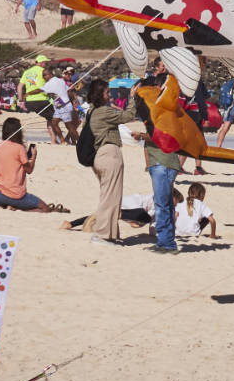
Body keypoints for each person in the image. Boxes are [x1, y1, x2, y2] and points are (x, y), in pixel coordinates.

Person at [79, 77, 131, 244]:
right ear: (100, 94)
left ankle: (109, 234)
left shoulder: (92, 111)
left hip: (100, 156)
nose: (110, 95)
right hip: (108, 154)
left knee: (110, 196)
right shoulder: (103, 111)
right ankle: (102, 234)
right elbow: (128, 116)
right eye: (108, 92)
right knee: (110, 197)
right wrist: (133, 98)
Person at [130, 94, 184, 254]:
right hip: (162, 164)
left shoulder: (160, 115)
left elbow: (161, 137)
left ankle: (166, 243)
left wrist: (141, 136)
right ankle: (167, 241)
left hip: (163, 163)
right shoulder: (161, 113)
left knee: (162, 206)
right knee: (165, 204)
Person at [0, 119, 65, 213]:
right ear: (18, 131)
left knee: (16, 201)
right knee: (45, 208)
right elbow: (29, 170)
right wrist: (33, 156)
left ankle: (9, 206)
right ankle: (15, 208)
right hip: (13, 193)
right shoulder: (19, 148)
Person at [17, 56, 48, 120]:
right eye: (45, 63)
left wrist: (20, 100)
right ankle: (51, 130)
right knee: (53, 118)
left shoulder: (27, 72)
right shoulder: (43, 71)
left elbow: (19, 87)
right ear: (41, 63)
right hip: (42, 100)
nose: (46, 65)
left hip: (29, 101)